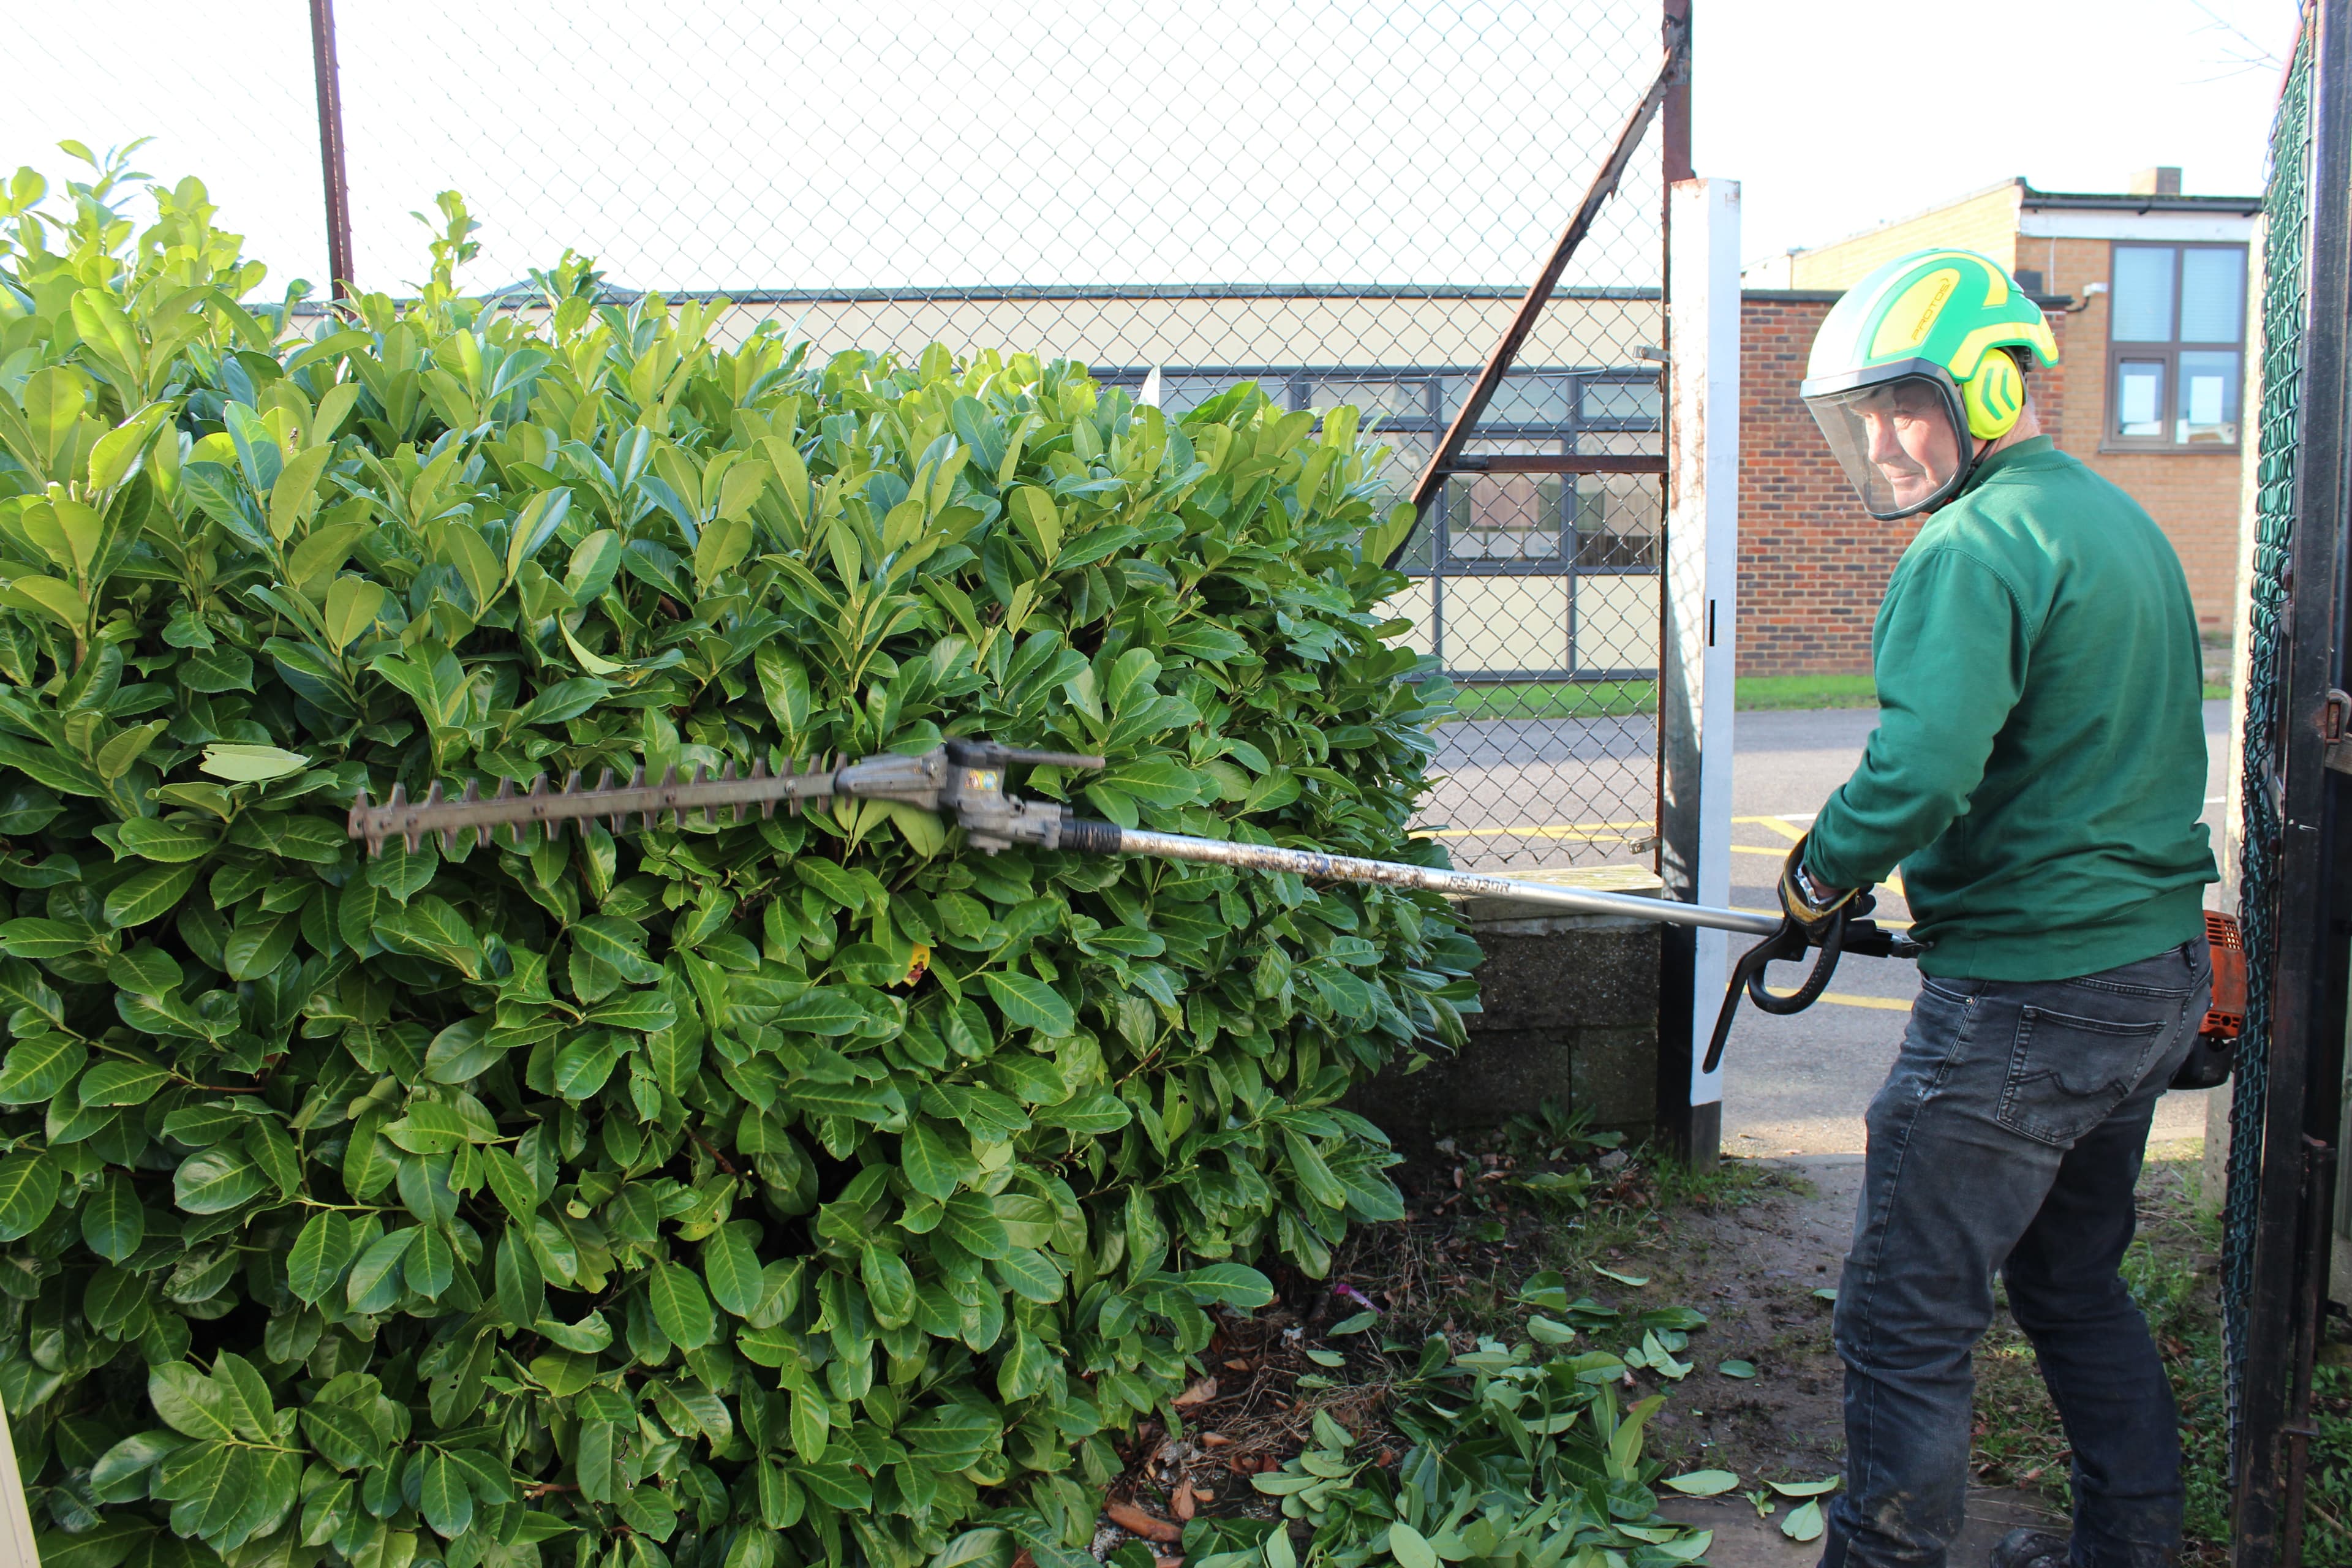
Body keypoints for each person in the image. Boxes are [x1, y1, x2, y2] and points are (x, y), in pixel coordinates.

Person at [1785, 249, 2218, 1568]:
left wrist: (1817, 874)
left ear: (1984, 383)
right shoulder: (2115, 520)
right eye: (1866, 413)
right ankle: (2129, 1550)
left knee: (1904, 1313)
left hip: (2032, 997)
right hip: (2154, 975)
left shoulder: (1971, 547)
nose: (1881, 440)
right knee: (2070, 1280)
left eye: (1902, 404)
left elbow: (1922, 770)